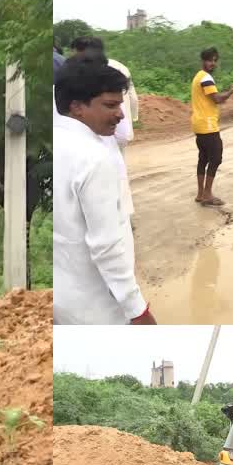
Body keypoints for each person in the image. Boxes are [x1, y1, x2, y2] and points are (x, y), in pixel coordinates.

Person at [53, 56, 155, 325]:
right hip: (98, 308)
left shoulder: (57, 145)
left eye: (120, 105)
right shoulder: (95, 157)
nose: (121, 115)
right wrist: (138, 311)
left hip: (64, 304)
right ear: (77, 107)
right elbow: (107, 246)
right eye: (110, 105)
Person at [191, 47, 233, 206]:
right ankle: (207, 195)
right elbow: (217, 99)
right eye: (209, 60)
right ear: (203, 60)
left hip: (199, 124)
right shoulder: (206, 78)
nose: (212, 63)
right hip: (208, 125)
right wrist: (231, 91)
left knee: (203, 159)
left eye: (214, 60)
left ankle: (200, 194)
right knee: (216, 158)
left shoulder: (198, 76)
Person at [69, 36, 139, 148]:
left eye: (75, 53)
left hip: (101, 133)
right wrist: (134, 118)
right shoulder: (121, 67)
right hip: (120, 133)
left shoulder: (86, 73)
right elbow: (133, 97)